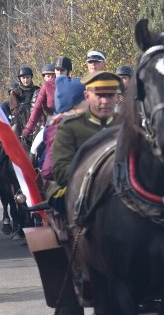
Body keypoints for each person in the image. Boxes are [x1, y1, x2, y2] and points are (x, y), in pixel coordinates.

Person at [45, 71, 121, 213]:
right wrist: (100, 176)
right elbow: (60, 171)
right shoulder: (70, 126)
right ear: (87, 96)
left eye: (110, 95)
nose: (105, 101)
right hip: (77, 190)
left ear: (117, 97)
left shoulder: (127, 124)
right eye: (99, 95)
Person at [38, 76, 85, 183]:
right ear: (75, 104)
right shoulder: (61, 129)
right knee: (34, 148)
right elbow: (49, 170)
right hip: (64, 189)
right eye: (85, 98)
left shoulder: (82, 122)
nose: (89, 100)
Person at [23, 56, 71, 141]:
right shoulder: (47, 85)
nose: (59, 73)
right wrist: (28, 128)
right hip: (51, 125)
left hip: (70, 126)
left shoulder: (74, 85)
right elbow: (37, 108)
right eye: (57, 70)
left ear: (68, 71)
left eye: (62, 70)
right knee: (35, 148)